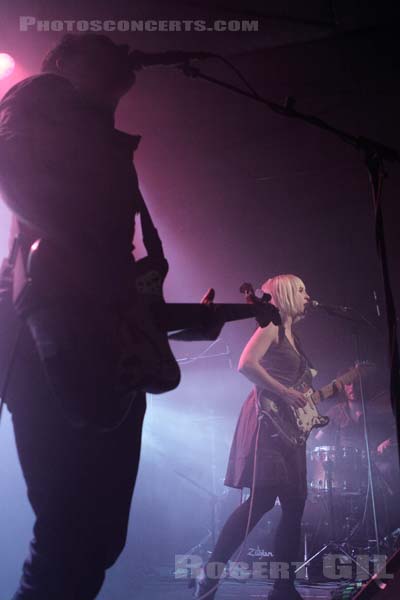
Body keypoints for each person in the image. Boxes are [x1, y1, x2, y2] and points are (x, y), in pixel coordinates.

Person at [0, 33, 223, 600]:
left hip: (94, 338)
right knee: (71, 531)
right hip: (49, 336)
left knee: (96, 539)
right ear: (64, 64)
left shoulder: (99, 139)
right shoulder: (37, 96)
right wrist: (95, 265)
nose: (119, 49)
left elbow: (113, 284)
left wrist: (169, 320)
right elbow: (16, 171)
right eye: (99, 45)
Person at [191, 274, 312, 600]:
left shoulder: (292, 334)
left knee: (294, 505)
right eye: (301, 290)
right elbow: (246, 364)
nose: (307, 296)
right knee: (260, 502)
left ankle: (283, 587)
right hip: (266, 422)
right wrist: (286, 392)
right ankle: (211, 573)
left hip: (289, 428)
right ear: (285, 294)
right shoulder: (270, 327)